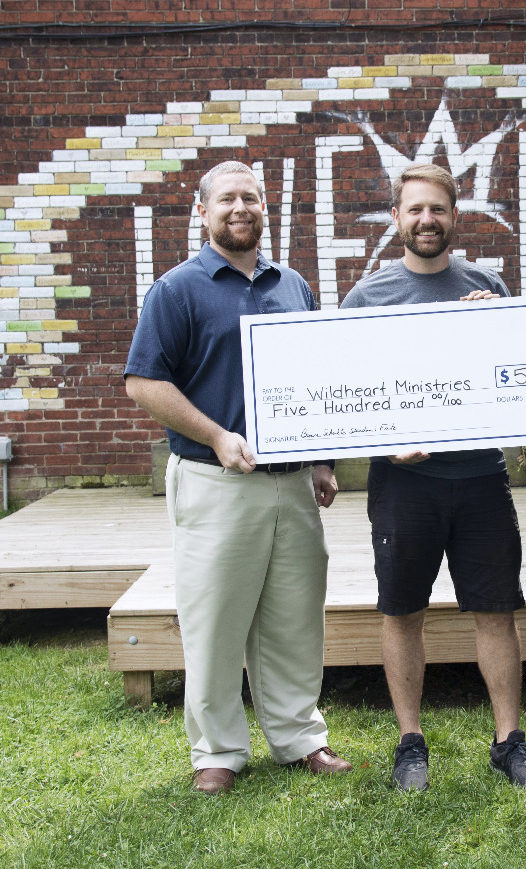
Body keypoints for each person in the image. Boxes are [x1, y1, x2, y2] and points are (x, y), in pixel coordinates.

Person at [124, 160, 352, 794]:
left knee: (295, 618)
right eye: (226, 199)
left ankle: (299, 736)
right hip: (214, 481)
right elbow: (144, 381)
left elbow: (316, 381)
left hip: (291, 484)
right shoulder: (177, 289)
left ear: (264, 208)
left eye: (251, 197)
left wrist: (323, 460)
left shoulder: (295, 288)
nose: (240, 208)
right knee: (216, 623)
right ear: (202, 211)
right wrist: (217, 435)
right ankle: (218, 752)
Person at [340, 163, 526, 791]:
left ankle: (509, 742)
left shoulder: (489, 286)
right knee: (402, 609)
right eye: (414, 210)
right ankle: (411, 743)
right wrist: (385, 444)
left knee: (496, 608)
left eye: (438, 209)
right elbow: (343, 395)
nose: (426, 220)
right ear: (396, 219)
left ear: (454, 216)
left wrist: (498, 328)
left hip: (481, 477)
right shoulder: (368, 297)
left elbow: (519, 378)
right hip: (404, 486)